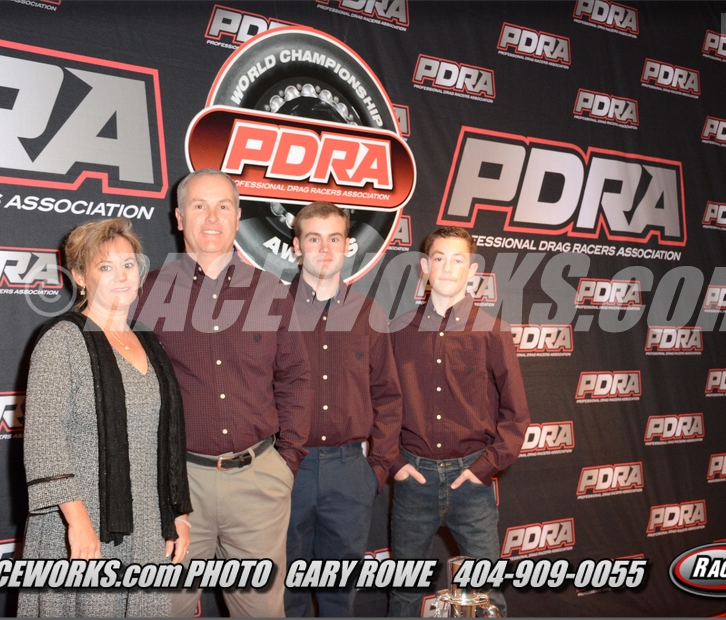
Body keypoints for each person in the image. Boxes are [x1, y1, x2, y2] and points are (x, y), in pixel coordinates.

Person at [135, 168, 310, 618]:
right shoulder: (147, 292)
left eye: (223, 207)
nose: (212, 218)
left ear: (237, 217)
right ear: (179, 217)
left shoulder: (272, 292)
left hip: (258, 482)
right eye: (199, 206)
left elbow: (295, 379)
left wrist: (286, 462)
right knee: (167, 610)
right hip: (177, 487)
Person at [18, 218, 192, 618]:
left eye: (128, 265)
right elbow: (44, 437)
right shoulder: (62, 340)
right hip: (82, 521)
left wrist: (178, 513)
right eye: (106, 266)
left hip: (147, 524)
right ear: (80, 276)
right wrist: (78, 523)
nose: (122, 276)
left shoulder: (148, 339)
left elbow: (166, 438)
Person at [387, 227, 531, 617]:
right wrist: (394, 462)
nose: (447, 268)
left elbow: (516, 414)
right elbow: (379, 404)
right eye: (438, 258)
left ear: (473, 270)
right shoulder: (397, 331)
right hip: (413, 481)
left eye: (458, 259)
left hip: (472, 484)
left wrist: (484, 468)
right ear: (424, 267)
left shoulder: (493, 331)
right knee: (403, 595)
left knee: (488, 597)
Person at [284, 202, 402, 617]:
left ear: (347, 245)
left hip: (349, 473)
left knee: (339, 598)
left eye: (334, 238)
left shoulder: (368, 313)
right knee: (287, 595)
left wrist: (377, 469)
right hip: (287, 471)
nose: (325, 249)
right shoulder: (271, 310)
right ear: (296, 246)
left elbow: (388, 396)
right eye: (314, 238)